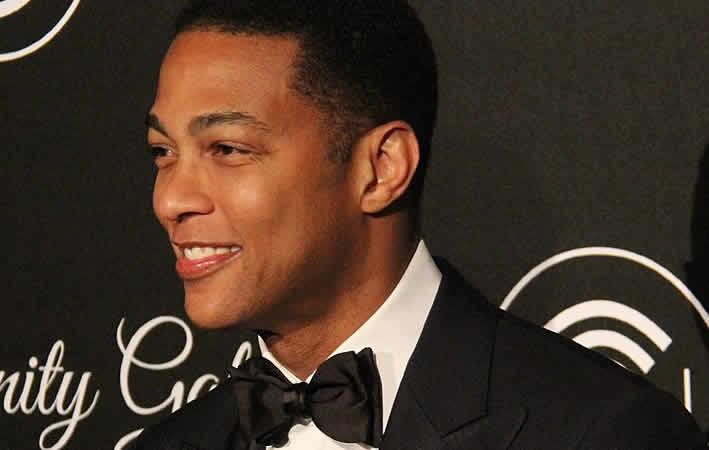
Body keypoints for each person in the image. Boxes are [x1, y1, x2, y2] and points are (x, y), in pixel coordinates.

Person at [131, 0, 705, 448]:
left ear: (382, 168)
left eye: (228, 149)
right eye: (163, 152)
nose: (171, 200)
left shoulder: (605, 433)